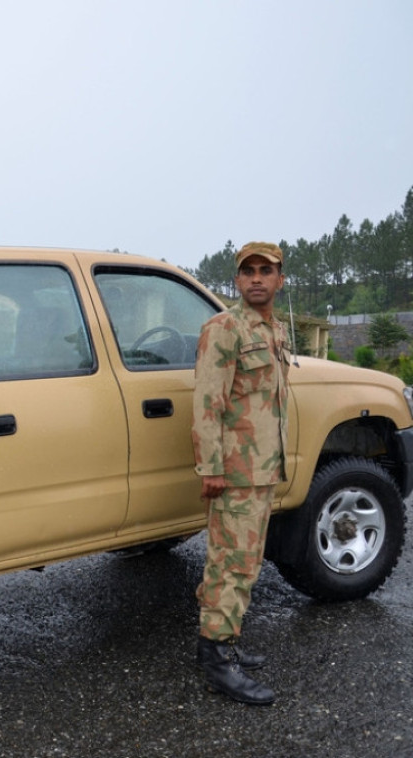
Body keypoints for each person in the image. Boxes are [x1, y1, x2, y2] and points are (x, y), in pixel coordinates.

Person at [192, 241, 289, 705]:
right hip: (234, 472)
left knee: (246, 563)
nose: (256, 278)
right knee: (230, 563)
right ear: (236, 280)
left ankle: (222, 642)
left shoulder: (274, 329)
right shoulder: (224, 328)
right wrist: (210, 468)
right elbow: (208, 402)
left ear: (279, 280)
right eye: (247, 271)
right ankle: (217, 662)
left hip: (262, 469)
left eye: (264, 271)